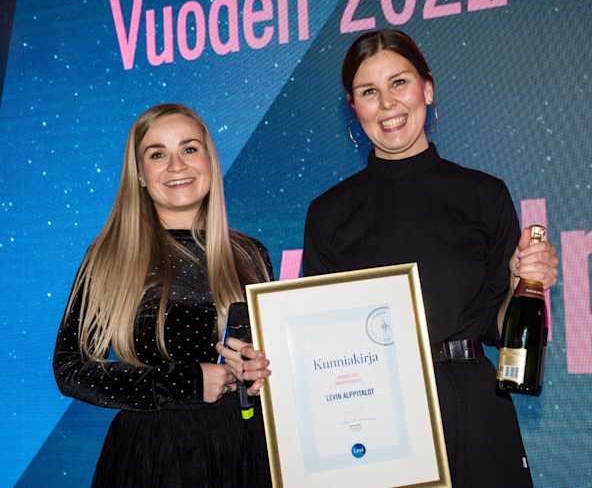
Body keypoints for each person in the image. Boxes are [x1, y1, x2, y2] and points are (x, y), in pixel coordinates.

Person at [302, 30, 558, 487]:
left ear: (427, 88)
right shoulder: (328, 214)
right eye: (369, 92)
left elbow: (500, 331)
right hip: (376, 417)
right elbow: (321, 343)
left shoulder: (484, 195)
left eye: (399, 83)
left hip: (472, 409)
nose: (387, 103)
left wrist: (523, 284)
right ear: (354, 106)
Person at [53, 104, 272, 488]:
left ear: (209, 159)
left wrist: (259, 373)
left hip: (245, 453)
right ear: (139, 173)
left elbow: (276, 369)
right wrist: (185, 383)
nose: (176, 165)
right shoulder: (109, 258)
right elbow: (71, 369)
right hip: (153, 458)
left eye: (189, 149)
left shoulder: (250, 253)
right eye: (158, 154)